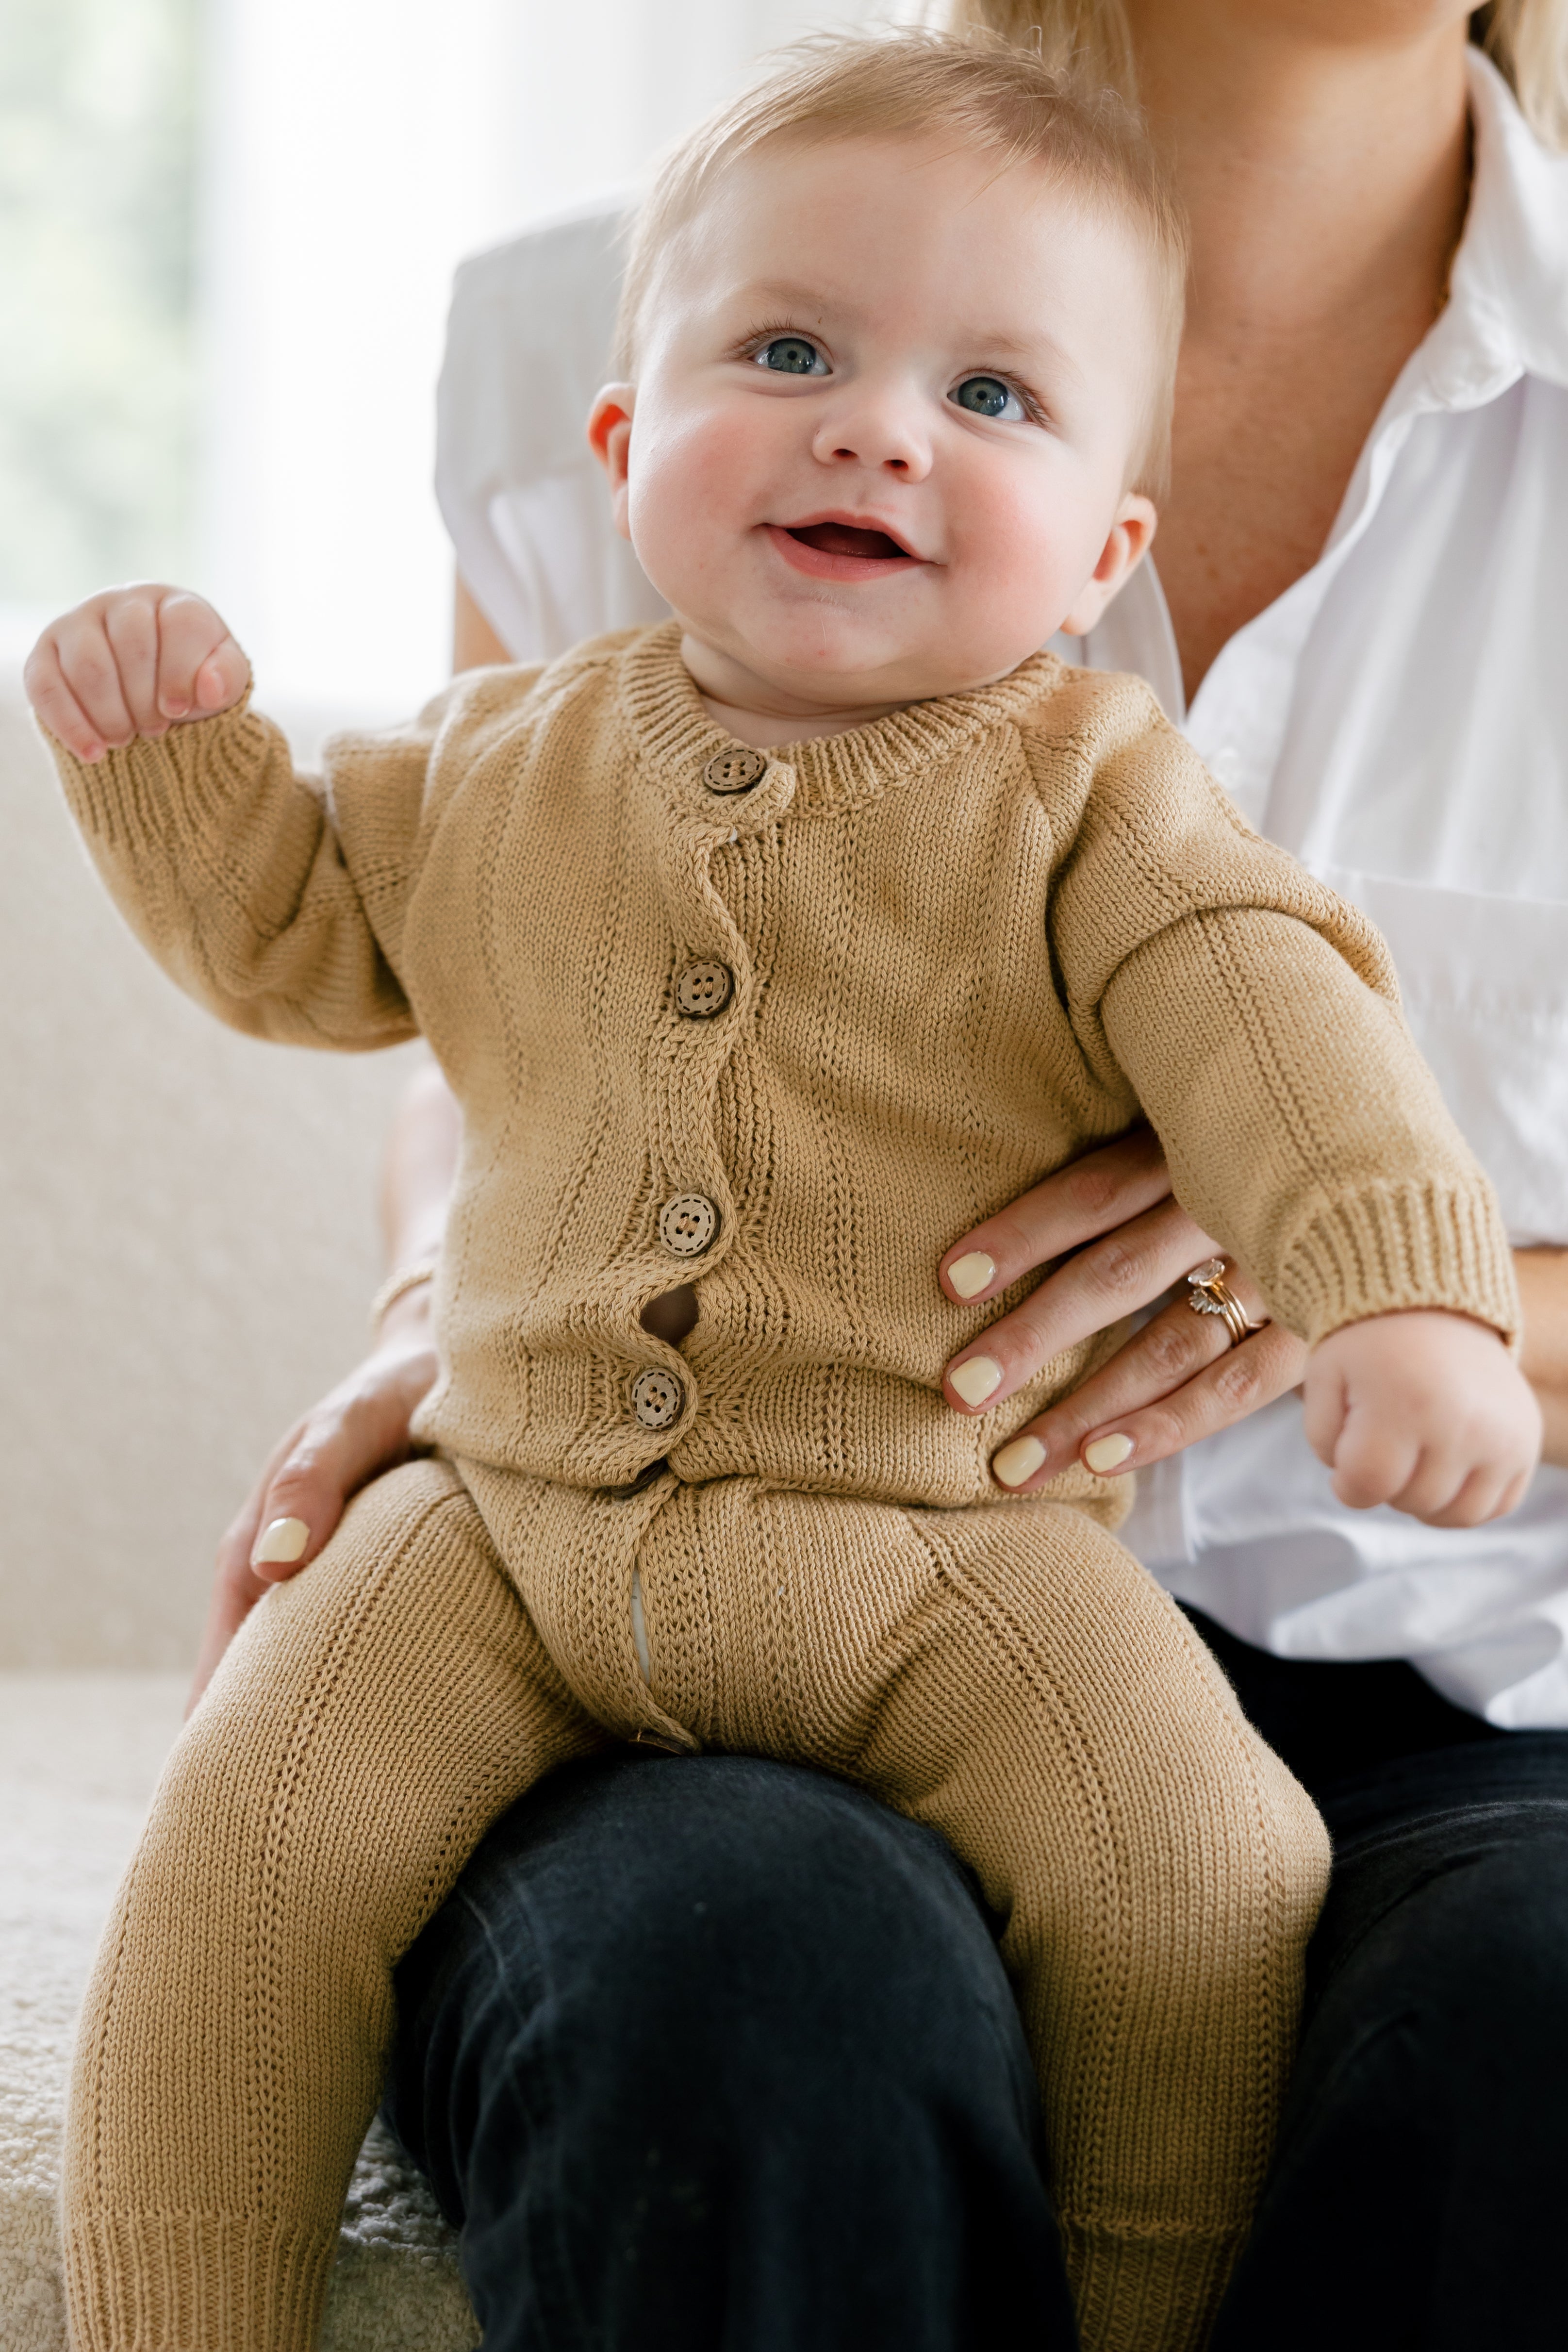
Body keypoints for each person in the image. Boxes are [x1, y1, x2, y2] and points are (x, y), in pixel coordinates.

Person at [28, 26, 1549, 2352]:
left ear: (1103, 550)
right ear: (620, 442)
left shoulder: (1087, 798)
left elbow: (1279, 1032)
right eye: (792, 360)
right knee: (310, 1864)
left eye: (995, 402)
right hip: (533, 1531)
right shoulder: (514, 723)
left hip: (1059, 1572)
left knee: (1239, 1894)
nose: (871, 426)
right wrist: (171, 777)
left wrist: (1417, 1304)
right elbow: (334, 950)